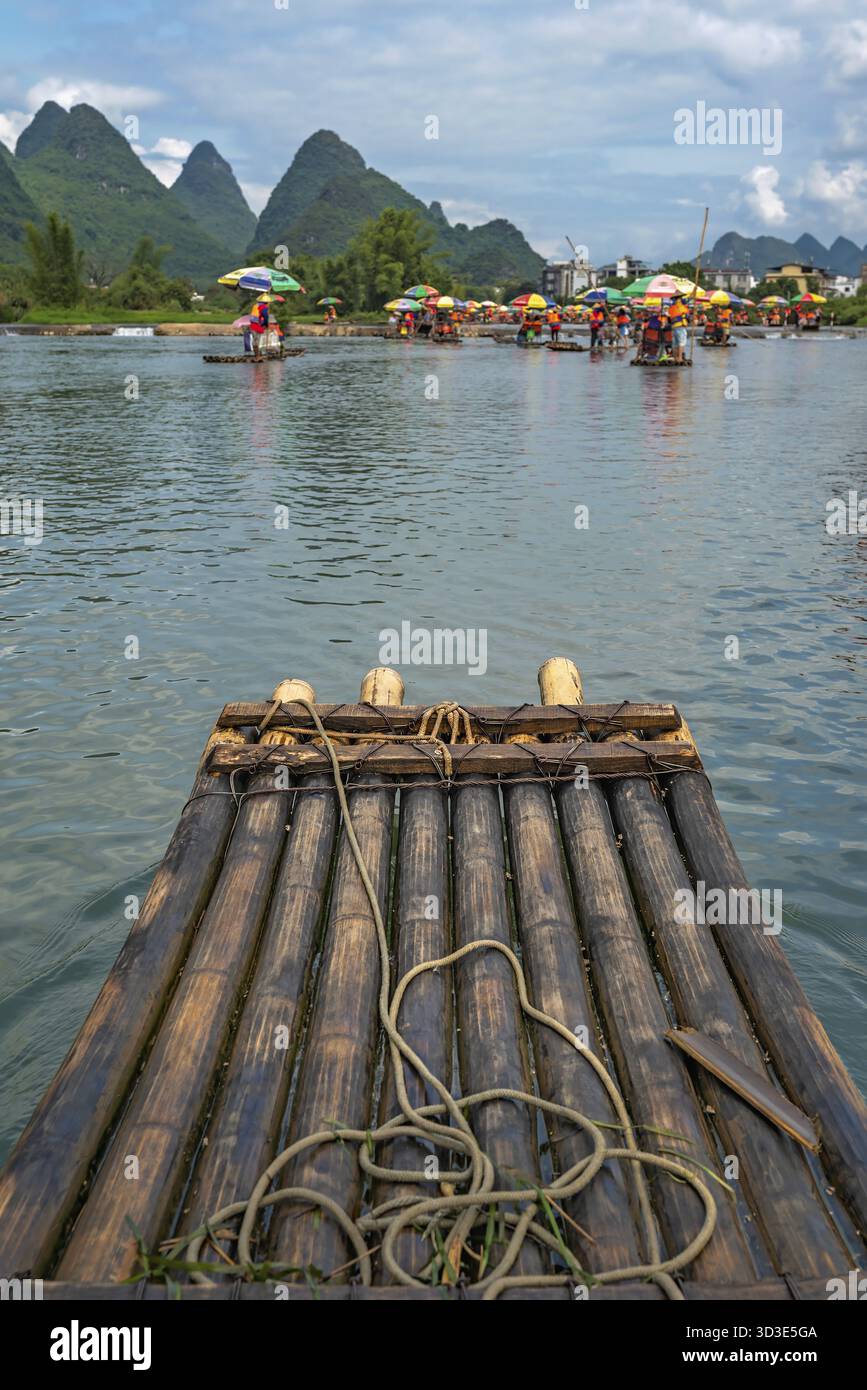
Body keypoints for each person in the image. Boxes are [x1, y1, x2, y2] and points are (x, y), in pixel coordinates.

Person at [669, 294, 689, 364]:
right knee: (681, 343)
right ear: (679, 299)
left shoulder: (671, 308)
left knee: (675, 343)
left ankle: (675, 358)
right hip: (681, 327)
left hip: (674, 327)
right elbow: (686, 315)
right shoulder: (682, 306)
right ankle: (680, 358)